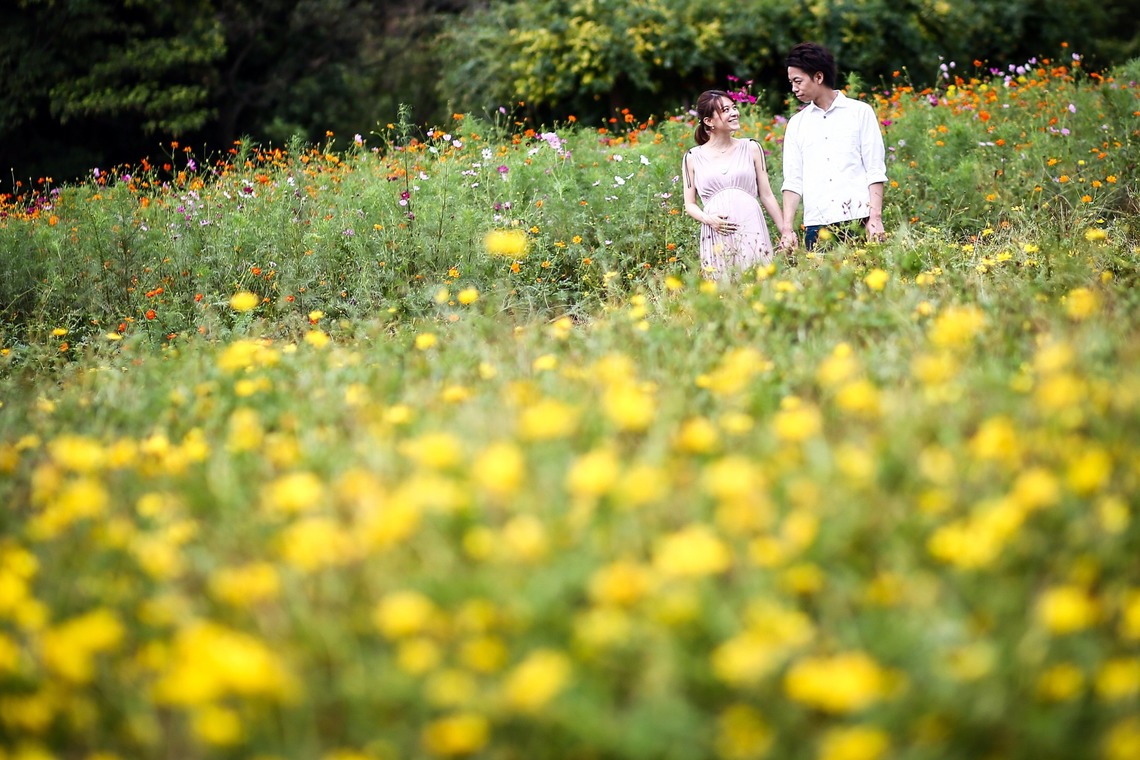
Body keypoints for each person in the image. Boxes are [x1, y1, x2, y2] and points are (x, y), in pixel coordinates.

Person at [779, 42, 887, 252]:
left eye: (798, 81)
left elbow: (875, 169)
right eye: (791, 82)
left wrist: (875, 218)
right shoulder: (797, 124)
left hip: (859, 220)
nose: (794, 88)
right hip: (817, 225)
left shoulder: (860, 113)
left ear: (818, 77)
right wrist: (787, 229)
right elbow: (793, 180)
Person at [682, 90, 784, 278]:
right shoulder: (692, 157)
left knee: (759, 282)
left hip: (751, 226)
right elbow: (689, 204)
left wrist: (785, 231)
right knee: (723, 291)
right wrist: (708, 219)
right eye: (726, 110)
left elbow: (767, 194)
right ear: (708, 121)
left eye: (734, 108)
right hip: (716, 229)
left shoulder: (752, 147)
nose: (735, 113)